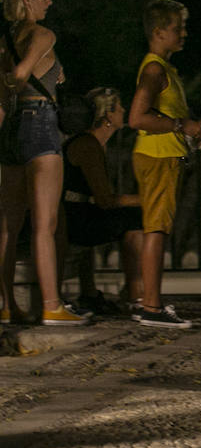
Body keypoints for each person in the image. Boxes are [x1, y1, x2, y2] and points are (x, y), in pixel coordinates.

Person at [0, 0, 87, 326]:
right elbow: (20, 75)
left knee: (8, 225)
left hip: (12, 127)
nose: (50, 1)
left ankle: (6, 305)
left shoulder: (5, 38)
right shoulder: (43, 35)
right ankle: (51, 305)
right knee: (45, 223)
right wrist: (21, 77)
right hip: (40, 124)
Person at [127, 0, 201, 329]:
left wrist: (193, 128)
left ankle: (149, 302)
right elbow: (137, 117)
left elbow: (166, 114)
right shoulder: (154, 69)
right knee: (156, 229)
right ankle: (152, 306)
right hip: (158, 156)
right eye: (178, 28)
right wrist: (181, 126)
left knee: (156, 227)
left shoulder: (163, 69)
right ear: (159, 32)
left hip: (163, 154)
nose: (184, 34)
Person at [60, 87, 144, 313]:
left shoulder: (93, 143)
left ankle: (91, 293)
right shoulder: (88, 145)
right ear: (107, 115)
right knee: (135, 219)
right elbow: (105, 200)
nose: (124, 110)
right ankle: (136, 294)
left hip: (75, 213)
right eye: (119, 107)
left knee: (125, 216)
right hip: (72, 219)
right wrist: (145, 199)